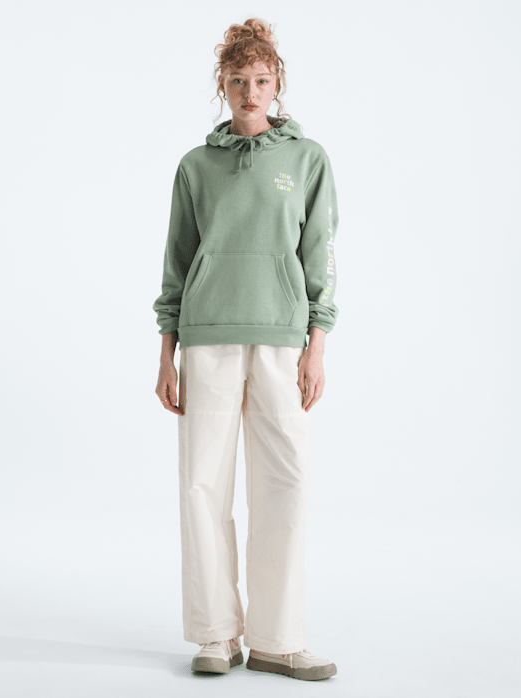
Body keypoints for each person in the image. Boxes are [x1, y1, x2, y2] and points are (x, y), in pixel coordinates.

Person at [152, 18, 339, 682]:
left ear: (277, 82)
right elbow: (177, 262)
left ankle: (277, 639)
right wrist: (166, 351)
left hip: (282, 339)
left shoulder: (307, 159)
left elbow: (320, 256)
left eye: (261, 80)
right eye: (238, 81)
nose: (250, 93)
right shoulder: (195, 167)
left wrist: (317, 347)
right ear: (222, 85)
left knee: (285, 481)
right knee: (202, 483)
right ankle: (215, 634)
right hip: (207, 337)